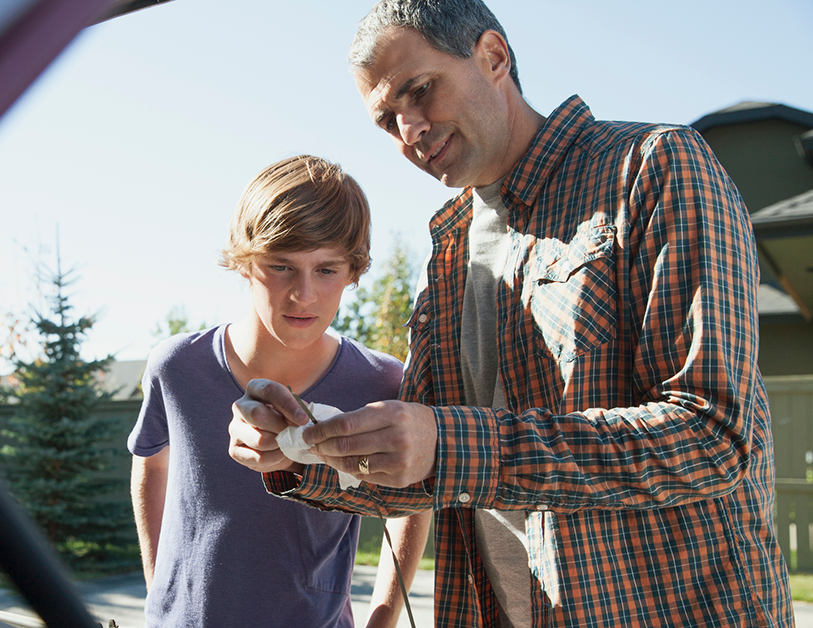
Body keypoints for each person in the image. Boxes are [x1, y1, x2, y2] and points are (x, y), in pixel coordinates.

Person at [227, 2, 795, 627]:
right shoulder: (448, 250)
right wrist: (304, 453)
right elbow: (426, 476)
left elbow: (713, 438)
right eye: (387, 119)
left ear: (493, 57)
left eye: (420, 91)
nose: (409, 128)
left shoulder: (654, 167)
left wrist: (453, 444)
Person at [129, 154, 432, 628]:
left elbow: (412, 501)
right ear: (244, 262)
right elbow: (152, 464)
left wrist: (384, 616)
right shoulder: (176, 366)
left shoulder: (383, 383)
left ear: (354, 271)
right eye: (281, 266)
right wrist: (159, 594)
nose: (304, 295)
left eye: (327, 270)